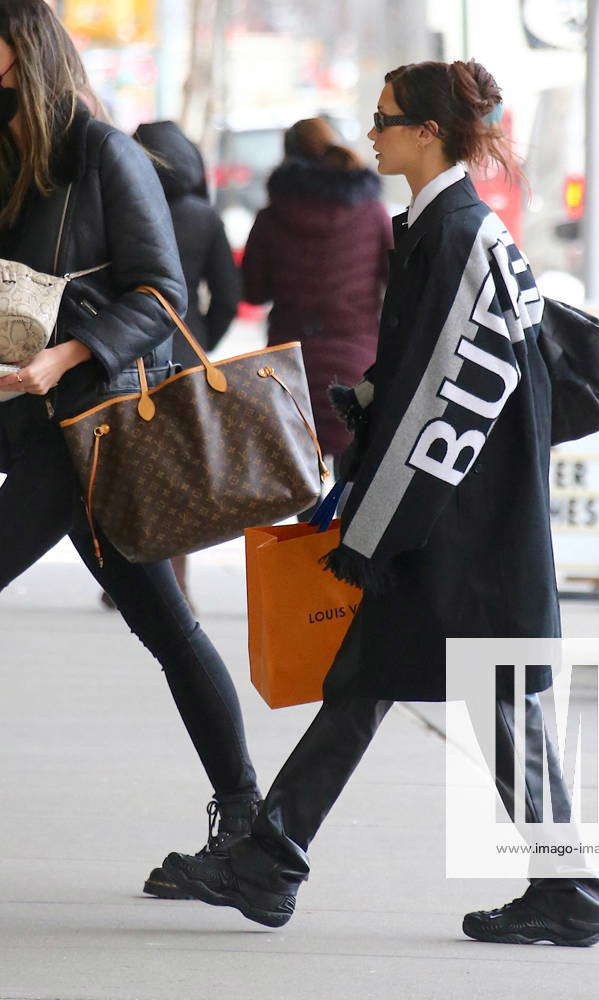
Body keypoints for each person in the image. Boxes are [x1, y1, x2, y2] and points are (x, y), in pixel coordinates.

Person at [162, 59, 599, 944]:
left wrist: (372, 530)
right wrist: (367, 411)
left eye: (385, 117)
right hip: (458, 522)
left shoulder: (455, 237)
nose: (371, 131)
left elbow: (451, 398)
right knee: (378, 680)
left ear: (429, 133)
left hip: (457, 526)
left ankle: (567, 892)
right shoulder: (439, 229)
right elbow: (430, 382)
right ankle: (272, 860)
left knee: (467, 690)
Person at [0, 0, 260, 897]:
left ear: (18, 49)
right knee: (171, 632)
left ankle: (250, 828)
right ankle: (250, 826)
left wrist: (60, 359)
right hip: (30, 432)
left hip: (89, 435)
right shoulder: (13, 157)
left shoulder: (103, 153)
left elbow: (164, 297)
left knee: (173, 632)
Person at [240, 117, 391, 478]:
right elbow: (395, 280)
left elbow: (254, 293)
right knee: (352, 481)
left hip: (289, 366)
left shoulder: (272, 217)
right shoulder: (372, 213)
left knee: (300, 478)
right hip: (357, 363)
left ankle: (306, 533)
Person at [129, 120, 241, 604]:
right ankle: (178, 583)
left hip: (126, 352)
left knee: (133, 466)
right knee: (182, 473)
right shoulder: (203, 216)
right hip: (185, 355)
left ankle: (131, 579)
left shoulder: (126, 207)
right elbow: (229, 294)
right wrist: (203, 339)